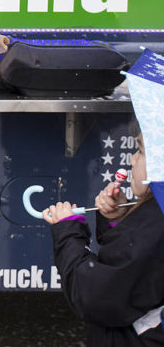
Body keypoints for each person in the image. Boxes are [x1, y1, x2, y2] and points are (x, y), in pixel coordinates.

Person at [43, 121, 164, 345]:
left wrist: (68, 233)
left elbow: (95, 296)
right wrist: (119, 220)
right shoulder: (153, 216)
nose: (133, 159)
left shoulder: (155, 225)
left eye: (141, 151)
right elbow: (136, 269)